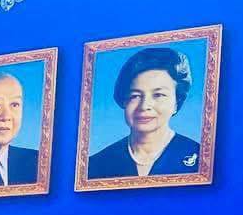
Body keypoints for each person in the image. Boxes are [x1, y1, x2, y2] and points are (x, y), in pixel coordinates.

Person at [87, 46, 202, 179]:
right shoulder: (95, 165)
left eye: (158, 95)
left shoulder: (201, 158)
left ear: (177, 102)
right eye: (135, 96)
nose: (144, 106)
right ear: (124, 101)